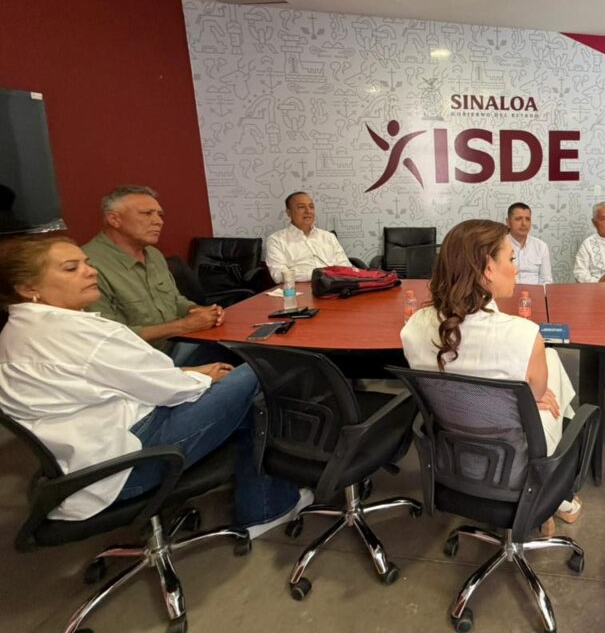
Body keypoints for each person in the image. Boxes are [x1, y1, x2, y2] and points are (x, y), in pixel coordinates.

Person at [0, 235, 308, 535]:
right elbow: (170, 390)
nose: (90, 271)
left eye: (86, 263)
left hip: (79, 462)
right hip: (128, 463)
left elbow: (118, 379)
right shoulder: (79, 332)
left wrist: (193, 373)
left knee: (231, 379)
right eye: (71, 268)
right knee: (262, 369)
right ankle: (267, 508)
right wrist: (203, 377)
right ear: (28, 288)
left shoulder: (18, 331)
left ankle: (263, 488)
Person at [401, 219, 582, 527]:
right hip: (513, 465)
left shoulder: (413, 327)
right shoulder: (524, 335)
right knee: (550, 378)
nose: (516, 268)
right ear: (488, 269)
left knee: (548, 362)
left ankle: (556, 498)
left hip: (453, 455)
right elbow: (538, 394)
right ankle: (553, 495)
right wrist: (531, 397)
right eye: (511, 259)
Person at [83, 185, 225, 363]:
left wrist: (197, 311)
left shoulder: (153, 254)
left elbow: (175, 300)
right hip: (141, 362)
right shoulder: (87, 266)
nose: (158, 221)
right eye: (147, 213)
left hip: (178, 345)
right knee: (248, 366)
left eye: (160, 215)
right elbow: (108, 338)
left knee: (248, 351)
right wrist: (182, 326)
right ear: (114, 219)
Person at [265, 191, 351, 283]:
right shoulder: (276, 240)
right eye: (301, 207)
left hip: (334, 285)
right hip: (299, 288)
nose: (308, 211)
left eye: (311, 207)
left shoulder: (329, 237)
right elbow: (279, 275)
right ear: (289, 213)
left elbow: (345, 267)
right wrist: (320, 275)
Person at [506, 202, 553, 285]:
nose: (524, 223)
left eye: (528, 219)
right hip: (508, 291)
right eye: (518, 219)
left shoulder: (541, 246)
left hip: (536, 292)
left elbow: (546, 281)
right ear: (508, 222)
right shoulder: (498, 245)